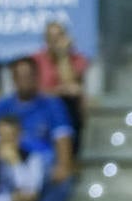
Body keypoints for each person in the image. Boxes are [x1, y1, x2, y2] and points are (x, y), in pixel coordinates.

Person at [0, 57, 77, 201]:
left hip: (43, 165)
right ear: (13, 78)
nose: (25, 80)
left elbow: (63, 137)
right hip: (6, 163)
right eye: (20, 76)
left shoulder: (52, 104)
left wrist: (63, 165)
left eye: (29, 75)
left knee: (63, 182)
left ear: (37, 76)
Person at [31, 20, 90, 153]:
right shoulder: (35, 60)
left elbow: (71, 87)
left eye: (59, 37)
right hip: (42, 109)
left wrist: (63, 56)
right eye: (51, 38)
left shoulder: (78, 59)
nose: (55, 41)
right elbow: (34, 91)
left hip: (69, 110)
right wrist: (59, 91)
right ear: (45, 40)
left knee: (71, 102)